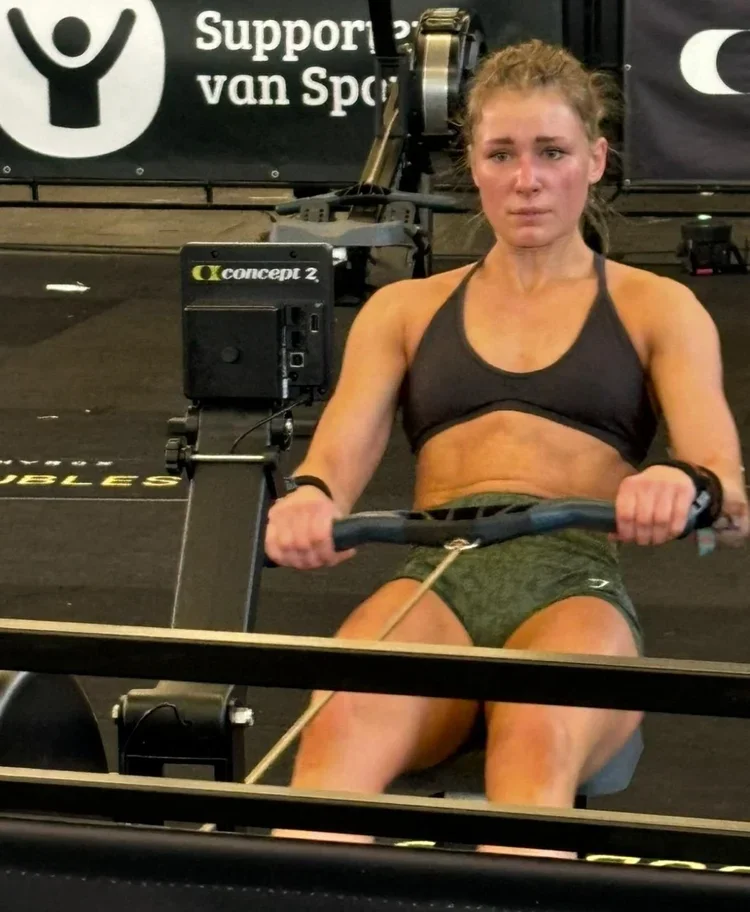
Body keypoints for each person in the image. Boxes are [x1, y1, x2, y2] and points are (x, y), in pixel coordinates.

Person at [264, 39, 749, 857]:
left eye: (552, 153)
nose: (528, 180)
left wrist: (679, 479)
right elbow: (339, 449)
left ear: (593, 161)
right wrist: (312, 496)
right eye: (503, 154)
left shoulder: (657, 307)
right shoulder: (405, 311)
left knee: (531, 762)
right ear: (475, 167)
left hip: (573, 582)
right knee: (333, 751)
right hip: (433, 571)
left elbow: (725, 490)